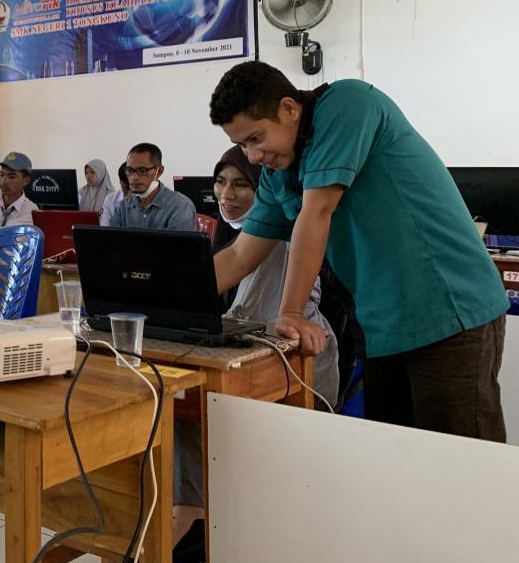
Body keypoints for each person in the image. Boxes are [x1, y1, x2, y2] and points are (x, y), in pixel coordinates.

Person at [209, 61, 509, 440]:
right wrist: (170, 300)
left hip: (448, 311)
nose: (252, 156)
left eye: (256, 138)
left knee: (464, 459)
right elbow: (240, 256)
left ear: (288, 108)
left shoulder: (347, 104)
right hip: (381, 326)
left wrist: (292, 313)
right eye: (242, 145)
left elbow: (318, 211)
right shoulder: (277, 174)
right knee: (395, 458)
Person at [173, 145, 341, 563]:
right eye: (220, 182)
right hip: (253, 355)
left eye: (241, 184)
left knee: (187, 403)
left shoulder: (279, 239)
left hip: (296, 361)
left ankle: (201, 518)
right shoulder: (226, 235)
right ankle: (194, 515)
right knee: (177, 404)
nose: (226, 194)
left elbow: (256, 319)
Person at [108, 143, 196, 230]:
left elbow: (180, 240)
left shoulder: (180, 206)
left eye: (142, 171)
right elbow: (111, 238)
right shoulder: (123, 206)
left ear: (159, 171)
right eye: (129, 170)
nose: (134, 177)